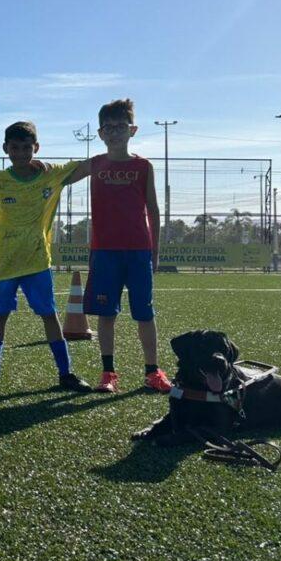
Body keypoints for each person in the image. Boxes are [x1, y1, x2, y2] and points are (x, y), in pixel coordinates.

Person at [0, 121, 93, 391]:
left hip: (38, 263)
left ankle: (66, 373)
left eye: (26, 147)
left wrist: (118, 152)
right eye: (15, 148)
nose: (21, 153)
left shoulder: (50, 174)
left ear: (36, 147)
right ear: (5, 148)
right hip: (6, 264)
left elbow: (87, 167)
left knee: (49, 315)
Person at [84, 98, 172, 393]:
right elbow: (62, 176)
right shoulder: (95, 164)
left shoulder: (143, 166)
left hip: (138, 253)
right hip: (104, 253)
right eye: (108, 128)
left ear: (132, 130)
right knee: (106, 314)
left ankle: (152, 371)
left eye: (120, 126)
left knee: (145, 314)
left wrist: (155, 252)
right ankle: (108, 373)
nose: (114, 132)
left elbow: (153, 210)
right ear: (100, 133)